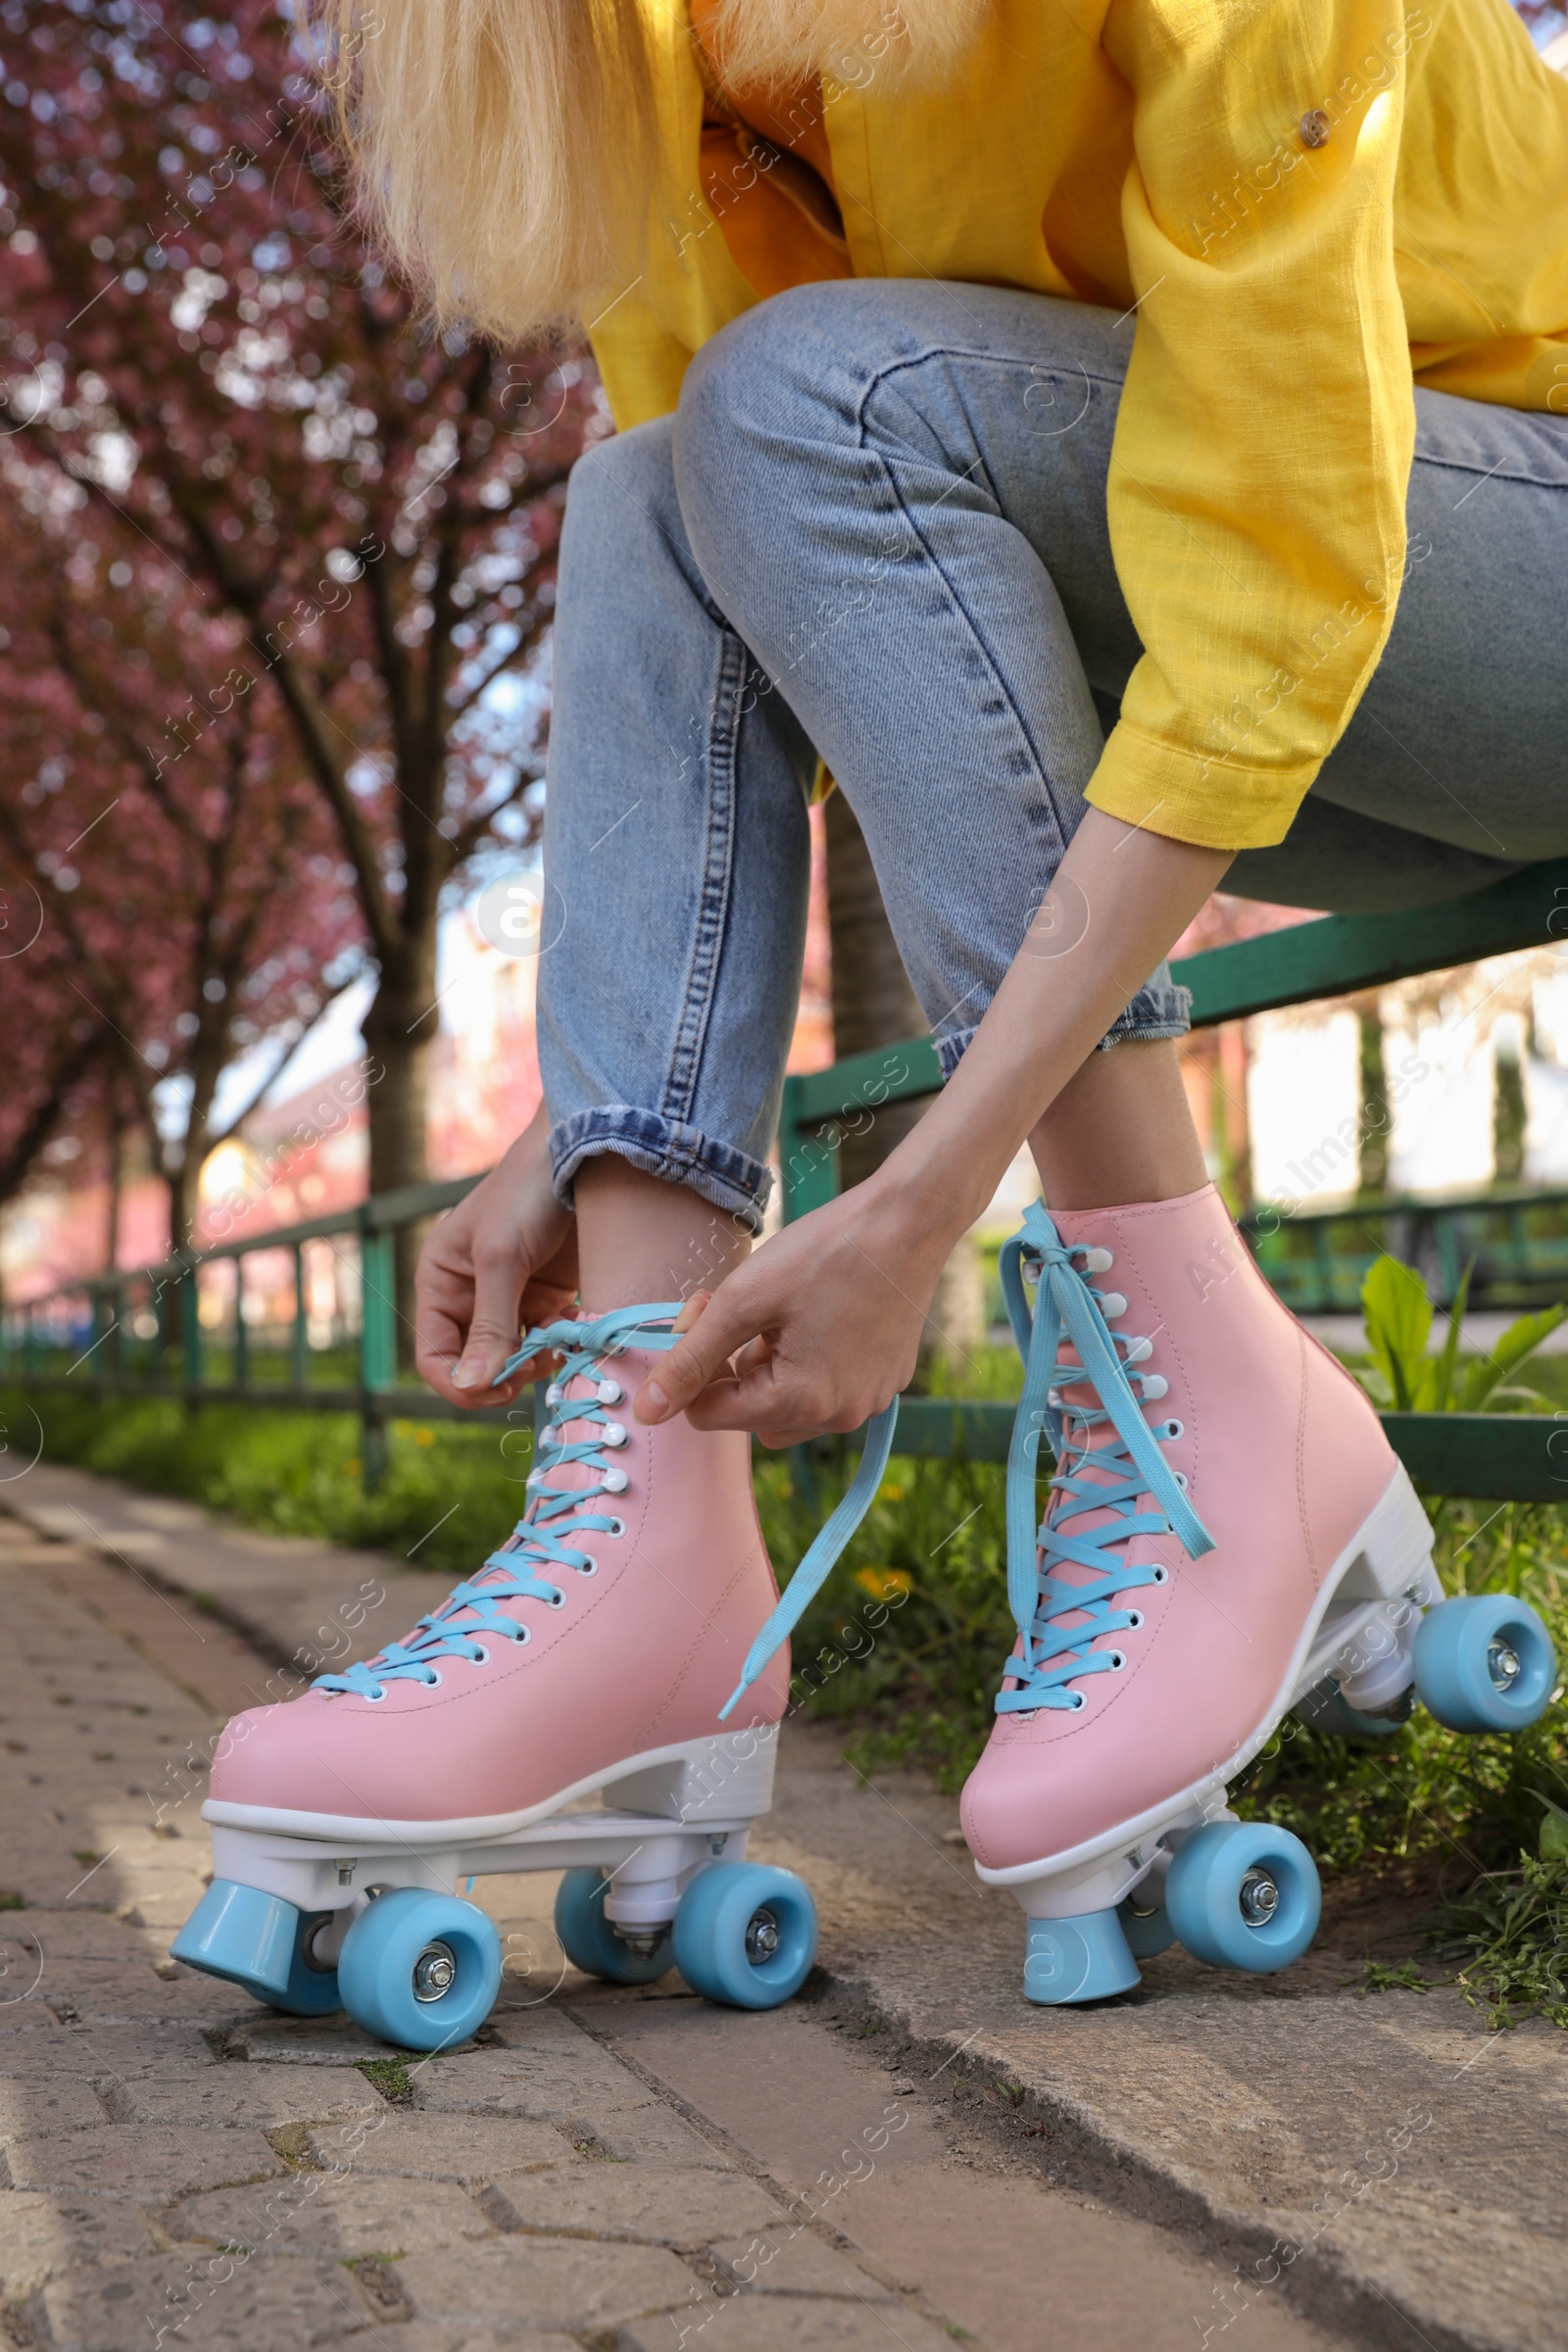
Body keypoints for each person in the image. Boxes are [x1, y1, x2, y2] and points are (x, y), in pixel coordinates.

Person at [204, 0, 1568, 1998]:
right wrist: (577, 1142)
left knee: (803, 394)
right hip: (1308, 701)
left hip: (1474, 567)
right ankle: (645, 1547)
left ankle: (1191, 1378)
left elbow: (1275, 569)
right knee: (652, 489)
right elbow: (781, 608)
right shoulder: (641, 53)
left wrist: (931, 1191)